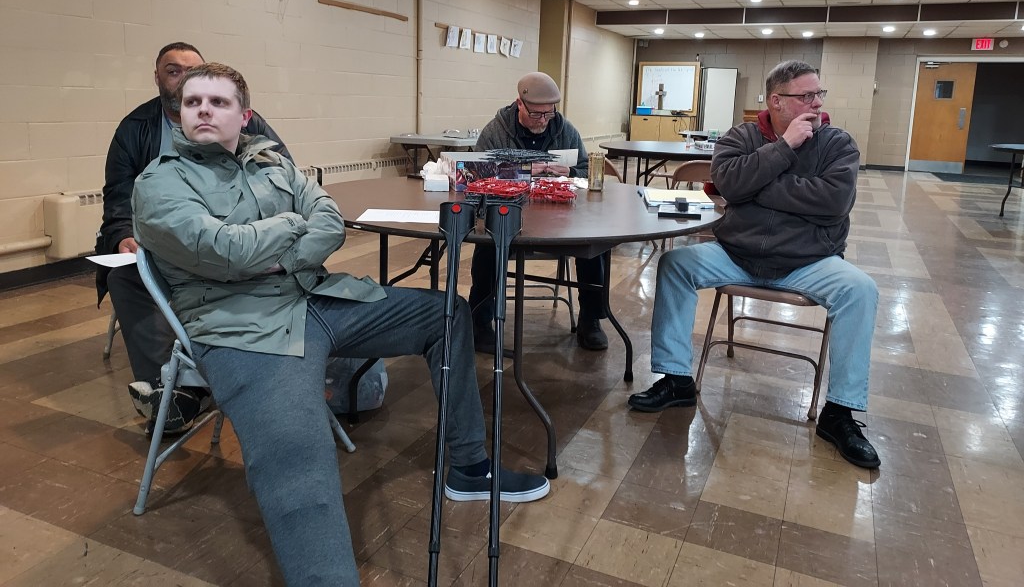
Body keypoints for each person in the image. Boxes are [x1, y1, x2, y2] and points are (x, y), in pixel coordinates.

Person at [132, 63, 549, 584]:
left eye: (218, 102)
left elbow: (329, 221)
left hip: (317, 297)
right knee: (297, 456)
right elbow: (222, 250)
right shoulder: (160, 182)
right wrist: (291, 225)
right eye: (193, 102)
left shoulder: (273, 163)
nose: (203, 111)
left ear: (245, 115)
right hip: (242, 328)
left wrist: (278, 256)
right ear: (180, 113)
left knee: (447, 314)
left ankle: (468, 467)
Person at [627, 60, 880, 469]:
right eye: (806, 96)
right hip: (737, 255)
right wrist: (783, 150)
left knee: (860, 290)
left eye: (819, 94)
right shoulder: (741, 137)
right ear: (777, 101)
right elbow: (728, 183)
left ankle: (840, 412)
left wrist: (756, 187)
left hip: (808, 260)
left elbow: (833, 203)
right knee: (675, 264)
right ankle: (675, 379)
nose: (817, 103)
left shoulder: (837, 144)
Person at [95, 42, 289, 434]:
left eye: (195, 71)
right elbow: (118, 197)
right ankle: (172, 391)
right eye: (174, 71)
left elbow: (283, 174)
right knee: (127, 277)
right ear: (157, 79)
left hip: (234, 240)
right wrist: (123, 236)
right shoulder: (135, 129)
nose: (185, 80)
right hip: (168, 244)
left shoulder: (244, 121)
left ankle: (203, 379)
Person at [470, 71, 610, 352]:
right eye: (536, 114)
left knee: (594, 243)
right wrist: (520, 171)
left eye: (549, 113)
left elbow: (586, 169)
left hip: (558, 217)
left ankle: (591, 319)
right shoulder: (495, 131)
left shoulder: (565, 130)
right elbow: (476, 173)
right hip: (510, 215)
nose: (544, 120)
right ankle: (479, 321)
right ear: (519, 104)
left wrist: (569, 171)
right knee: (487, 245)